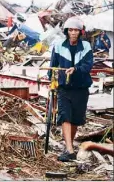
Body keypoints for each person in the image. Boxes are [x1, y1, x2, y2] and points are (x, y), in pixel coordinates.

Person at [48, 17, 93, 162]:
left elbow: (88, 66)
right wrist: (52, 81)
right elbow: (53, 66)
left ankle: (69, 146)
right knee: (65, 116)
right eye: (71, 30)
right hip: (64, 88)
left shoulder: (86, 46)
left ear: (80, 32)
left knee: (75, 119)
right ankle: (69, 149)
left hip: (80, 88)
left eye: (76, 30)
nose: (73, 33)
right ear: (66, 31)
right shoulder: (59, 45)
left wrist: (76, 69)